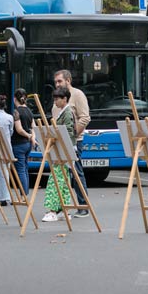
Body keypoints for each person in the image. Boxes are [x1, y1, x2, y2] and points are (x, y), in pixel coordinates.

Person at [53, 69, 90, 217]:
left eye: (60, 81)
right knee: (62, 174)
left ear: (68, 81)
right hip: (60, 141)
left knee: (76, 173)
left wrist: (73, 135)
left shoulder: (78, 95)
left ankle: (83, 205)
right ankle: (62, 205)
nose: (57, 84)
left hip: (73, 141)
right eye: (55, 82)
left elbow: (85, 117)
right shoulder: (58, 97)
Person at [42, 86, 75, 222]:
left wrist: (54, 134)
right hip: (64, 151)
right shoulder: (64, 111)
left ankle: (53, 211)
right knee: (64, 181)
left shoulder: (67, 112)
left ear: (65, 99)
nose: (55, 102)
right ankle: (64, 209)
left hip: (63, 151)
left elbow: (68, 131)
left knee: (55, 181)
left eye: (57, 99)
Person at [11, 89, 39, 197]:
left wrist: (28, 136)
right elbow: (34, 127)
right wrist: (32, 138)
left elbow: (19, 129)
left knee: (21, 170)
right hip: (27, 144)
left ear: (15, 99)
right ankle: (25, 193)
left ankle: (23, 195)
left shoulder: (16, 112)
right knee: (25, 168)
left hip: (18, 144)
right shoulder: (29, 111)